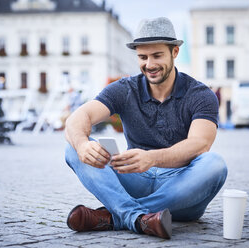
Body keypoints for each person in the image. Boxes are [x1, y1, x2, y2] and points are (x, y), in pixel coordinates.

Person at [64, 17, 227, 239]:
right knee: (72, 147)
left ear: (175, 52)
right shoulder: (124, 88)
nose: (149, 64)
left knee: (215, 164)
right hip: (136, 178)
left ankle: (117, 215)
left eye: (157, 55)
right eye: (142, 57)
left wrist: (152, 158)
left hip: (183, 189)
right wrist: (83, 145)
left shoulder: (200, 94)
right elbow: (79, 116)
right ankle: (138, 219)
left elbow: (200, 144)